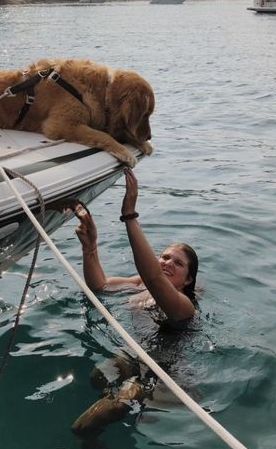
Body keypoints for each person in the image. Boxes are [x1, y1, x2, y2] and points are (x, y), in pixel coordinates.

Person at [71, 168, 199, 434]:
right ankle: (123, 409)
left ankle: (123, 412)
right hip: (134, 353)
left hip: (163, 370)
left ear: (188, 280)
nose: (167, 263)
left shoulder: (184, 305)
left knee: (85, 425)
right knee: (97, 376)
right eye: (164, 257)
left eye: (178, 263)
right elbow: (100, 286)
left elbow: (153, 277)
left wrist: (129, 215)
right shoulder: (140, 285)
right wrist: (90, 247)